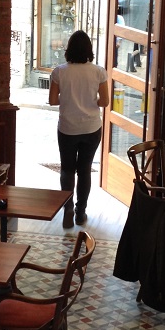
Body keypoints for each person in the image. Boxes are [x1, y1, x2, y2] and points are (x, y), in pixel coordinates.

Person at [48, 30, 109, 228]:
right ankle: (80, 212)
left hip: (67, 127)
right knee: (84, 170)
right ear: (89, 50)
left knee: (67, 169)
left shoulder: (60, 72)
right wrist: (90, 100)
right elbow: (105, 101)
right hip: (91, 127)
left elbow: (52, 100)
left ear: (69, 50)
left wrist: (69, 98)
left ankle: (67, 208)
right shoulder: (99, 72)